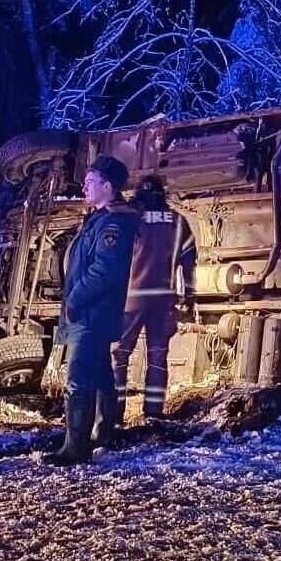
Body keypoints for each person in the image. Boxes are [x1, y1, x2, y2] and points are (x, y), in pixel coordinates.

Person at [42, 155, 140, 466]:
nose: (84, 185)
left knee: (78, 380)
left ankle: (76, 448)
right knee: (99, 375)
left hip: (92, 314)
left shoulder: (113, 222)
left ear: (108, 186)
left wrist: (74, 300)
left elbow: (105, 270)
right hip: (91, 312)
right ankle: (102, 433)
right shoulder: (99, 219)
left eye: (91, 181)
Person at [111, 174, 197, 422]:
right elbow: (189, 262)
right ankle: (153, 414)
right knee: (158, 357)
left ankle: (115, 415)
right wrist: (189, 295)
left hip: (130, 300)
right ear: (163, 195)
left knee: (119, 356)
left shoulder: (128, 219)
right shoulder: (178, 222)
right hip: (163, 301)